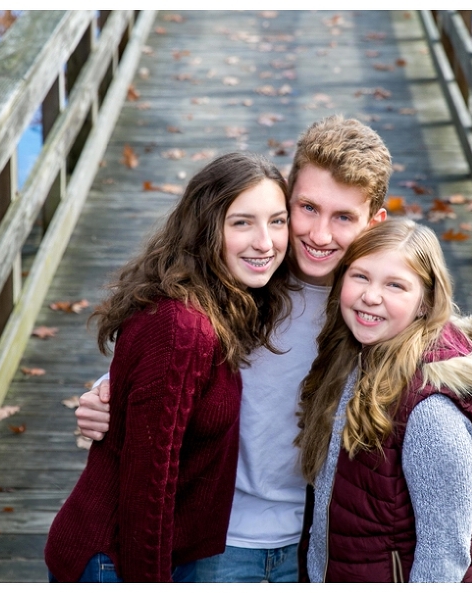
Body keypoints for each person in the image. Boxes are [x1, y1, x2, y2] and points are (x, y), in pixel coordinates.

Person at [74, 116, 472, 582]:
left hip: (313, 544)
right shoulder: (247, 275)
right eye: (308, 209)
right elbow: (170, 349)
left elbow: (428, 378)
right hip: (217, 539)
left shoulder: (372, 306)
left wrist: (461, 467)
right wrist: (107, 392)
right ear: (287, 196)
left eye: (343, 218)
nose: (318, 235)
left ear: (374, 222)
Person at [43, 152, 294, 582]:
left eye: (277, 220)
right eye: (242, 223)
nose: (266, 242)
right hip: (114, 561)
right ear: (205, 227)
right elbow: (147, 492)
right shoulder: (183, 328)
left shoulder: (221, 303)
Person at [297, 219, 472, 582]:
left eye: (395, 285)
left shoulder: (429, 411)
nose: (371, 296)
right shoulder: (359, 353)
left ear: (426, 301)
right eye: (360, 276)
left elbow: (444, 555)